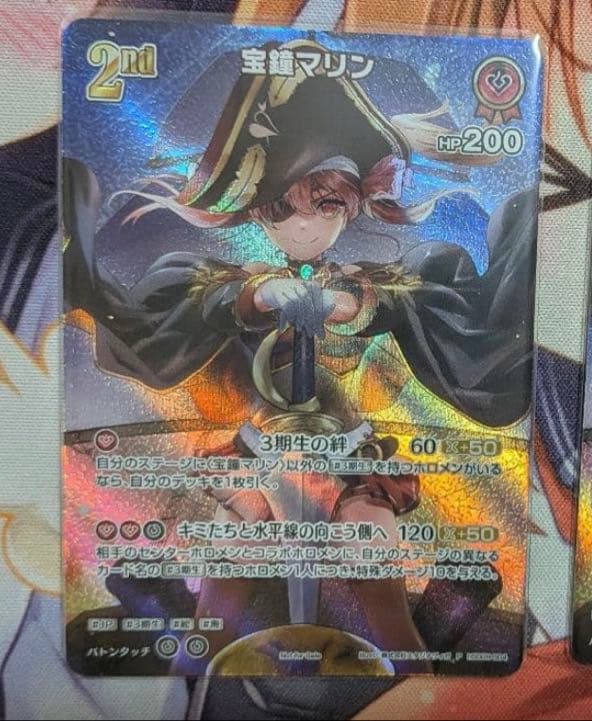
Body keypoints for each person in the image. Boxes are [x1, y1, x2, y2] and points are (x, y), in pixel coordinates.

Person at [64, 38, 537, 674]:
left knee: (370, 543)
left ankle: (416, 687)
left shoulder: (368, 277)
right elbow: (194, 300)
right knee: (236, 544)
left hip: (348, 451)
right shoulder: (237, 279)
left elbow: (409, 298)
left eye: (327, 204)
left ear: (356, 202)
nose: (305, 225)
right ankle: (189, 683)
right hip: (262, 449)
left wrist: (355, 305)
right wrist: (255, 297)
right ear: (256, 207)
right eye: (282, 207)